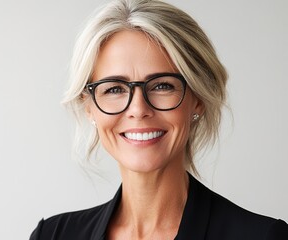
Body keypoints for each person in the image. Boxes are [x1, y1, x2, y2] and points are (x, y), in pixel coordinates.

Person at [30, 0, 288, 239]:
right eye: (114, 89)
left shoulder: (264, 236)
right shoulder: (53, 235)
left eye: (162, 86)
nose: (138, 109)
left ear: (197, 98)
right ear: (89, 107)